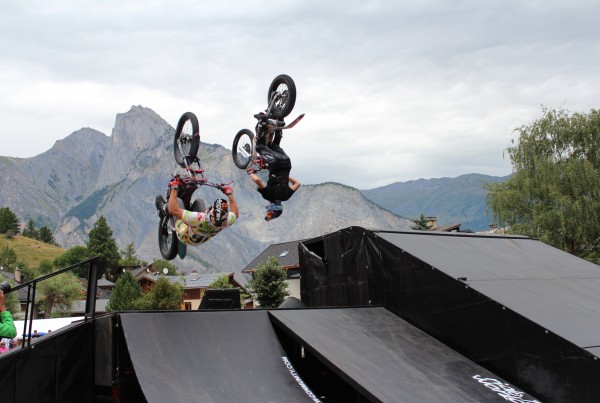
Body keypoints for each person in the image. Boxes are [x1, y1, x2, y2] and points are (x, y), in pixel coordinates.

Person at [246, 122, 301, 221]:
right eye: (268, 210)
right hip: (275, 163)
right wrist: (250, 172)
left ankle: (280, 123)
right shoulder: (268, 195)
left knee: (275, 145)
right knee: (259, 147)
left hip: (287, 163)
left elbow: (297, 183)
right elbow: (258, 181)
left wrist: (285, 176)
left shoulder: (286, 197)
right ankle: (262, 125)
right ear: (272, 208)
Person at [155, 181, 238, 245]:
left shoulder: (198, 218)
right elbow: (235, 213)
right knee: (199, 202)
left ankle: (162, 210)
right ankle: (186, 210)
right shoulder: (226, 221)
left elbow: (173, 210)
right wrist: (230, 194)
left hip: (184, 235)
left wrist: (174, 188)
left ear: (211, 213)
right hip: (201, 236)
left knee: (177, 202)